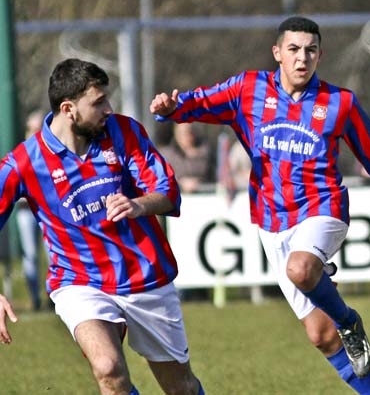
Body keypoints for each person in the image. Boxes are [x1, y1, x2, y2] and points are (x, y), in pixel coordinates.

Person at [150, 16, 370, 394]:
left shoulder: (339, 103)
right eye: (294, 50)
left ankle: (350, 321)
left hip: (324, 208)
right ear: (277, 54)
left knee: (301, 269)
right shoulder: (248, 89)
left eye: (311, 50)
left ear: (320, 55)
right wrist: (171, 108)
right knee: (320, 335)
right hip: (271, 221)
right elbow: (198, 104)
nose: (303, 58)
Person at [0, 59, 204, 395]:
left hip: (144, 274)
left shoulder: (124, 132)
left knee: (180, 387)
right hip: (79, 281)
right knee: (108, 369)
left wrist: (139, 204)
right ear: (68, 109)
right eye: (98, 102)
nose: (109, 109)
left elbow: (167, 191)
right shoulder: (25, 162)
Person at [14, 109, 45, 310]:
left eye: (38, 128)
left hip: (46, 212)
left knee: (54, 255)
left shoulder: (50, 151)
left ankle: (55, 296)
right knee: (30, 254)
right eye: (31, 128)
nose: (34, 132)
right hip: (26, 211)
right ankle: (35, 298)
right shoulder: (22, 153)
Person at [160, 123, 214, 194]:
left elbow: (211, 176)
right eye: (183, 133)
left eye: (190, 132)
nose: (188, 136)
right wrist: (180, 184)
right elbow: (161, 180)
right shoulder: (166, 154)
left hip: (204, 196)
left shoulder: (204, 153)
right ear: (176, 134)